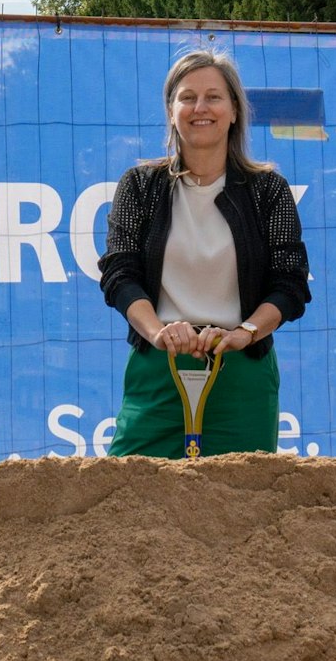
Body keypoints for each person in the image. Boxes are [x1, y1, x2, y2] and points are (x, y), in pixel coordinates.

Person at [98, 49, 311, 455]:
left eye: (214, 97)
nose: (201, 108)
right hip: (158, 368)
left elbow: (289, 284)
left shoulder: (268, 190)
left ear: (234, 110)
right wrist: (159, 334)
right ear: (171, 110)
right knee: (130, 501)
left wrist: (242, 333)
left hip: (242, 372)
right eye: (187, 97)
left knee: (242, 506)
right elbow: (119, 274)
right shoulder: (139, 185)